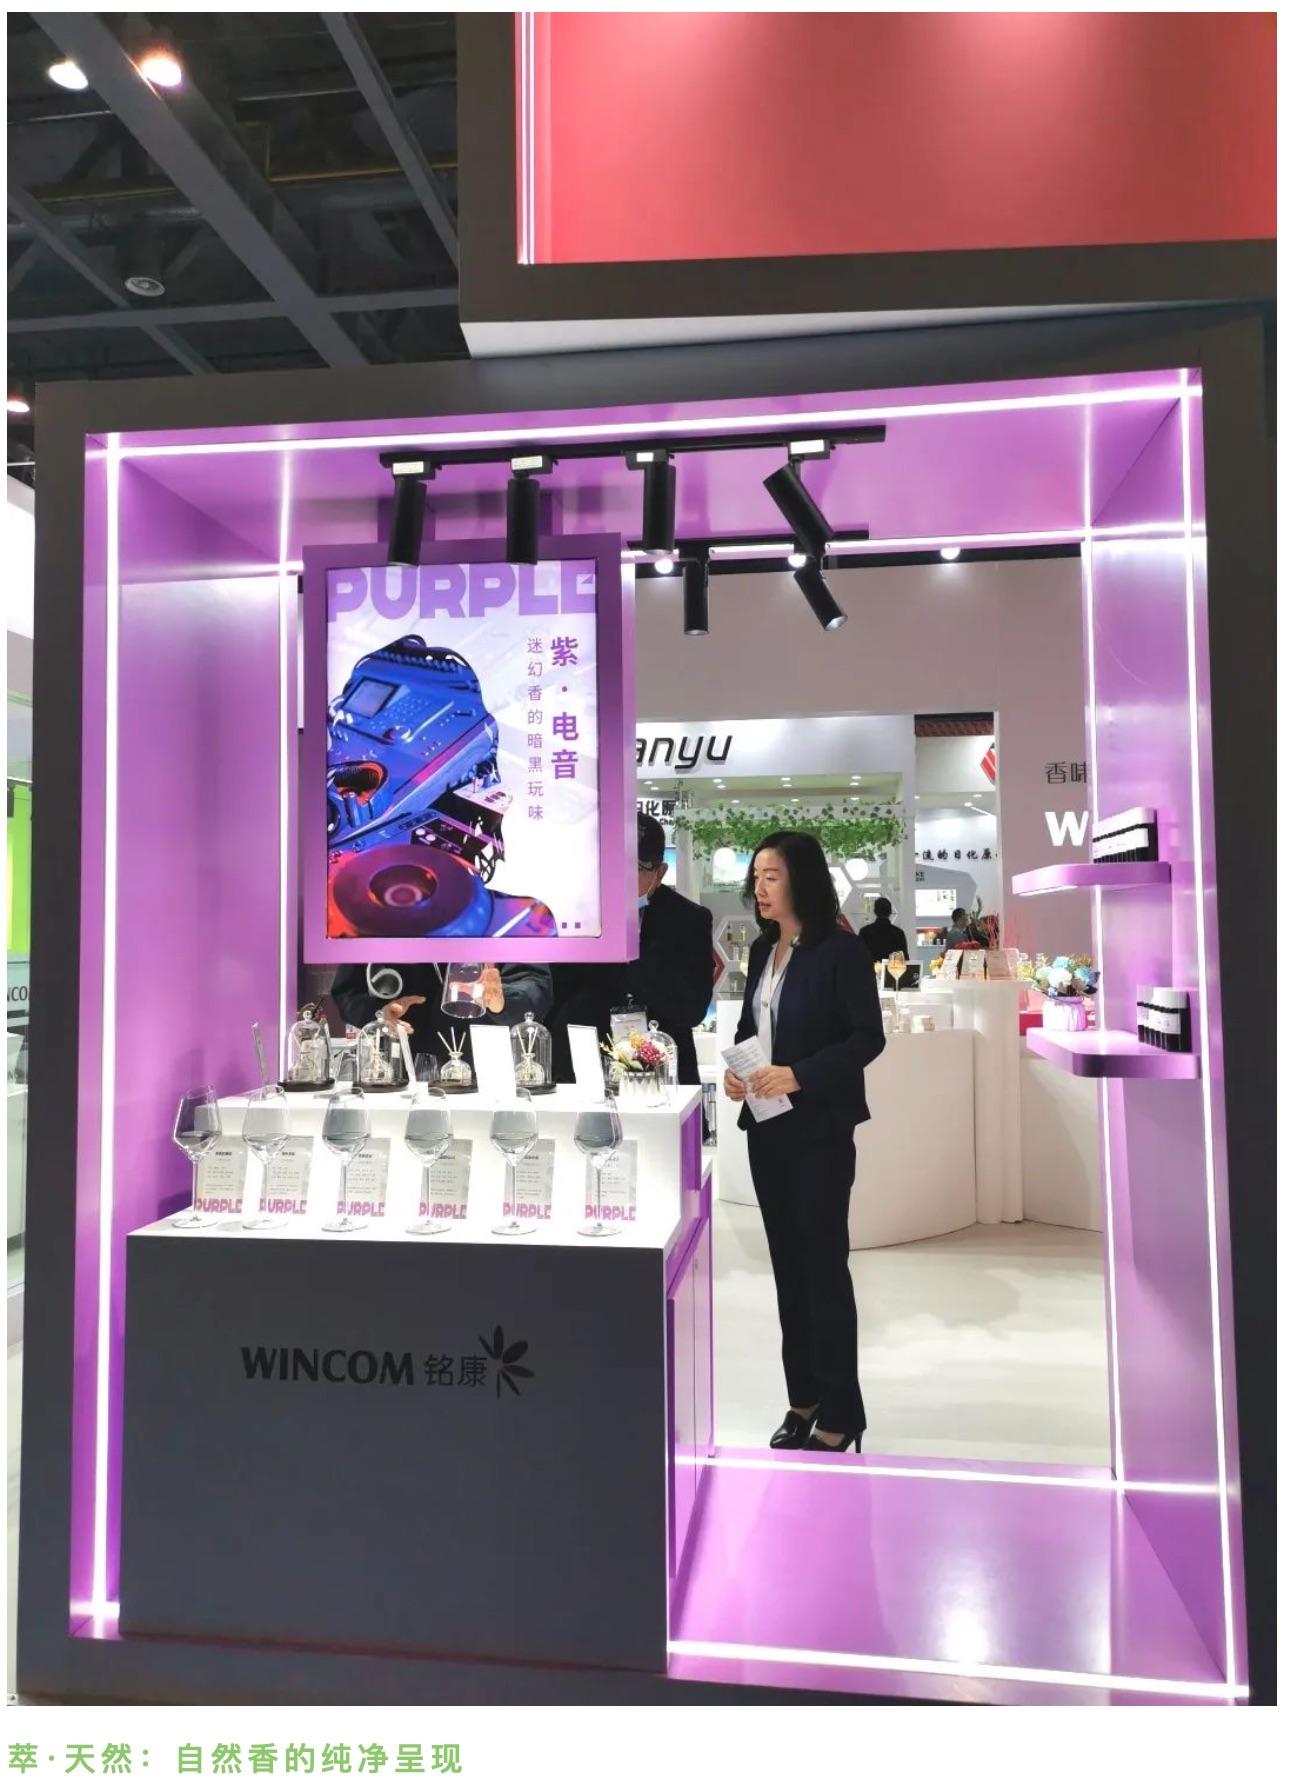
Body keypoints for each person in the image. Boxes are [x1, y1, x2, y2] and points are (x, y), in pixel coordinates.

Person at [724, 831, 885, 1454]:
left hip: (819, 1132)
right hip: (766, 1128)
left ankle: (842, 1412)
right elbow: (751, 1027)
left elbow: (866, 1037)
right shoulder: (764, 948)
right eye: (756, 877)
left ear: (802, 879)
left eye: (772, 876)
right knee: (788, 1273)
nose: (760, 888)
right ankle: (804, 1400)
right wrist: (739, 1072)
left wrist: (800, 1073)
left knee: (823, 1271)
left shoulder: (841, 950)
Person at [549, 812, 714, 1091]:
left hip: (662, 1071)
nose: (620, 878)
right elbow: (556, 994)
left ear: (660, 873)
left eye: (635, 868)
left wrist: (627, 951)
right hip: (584, 1068)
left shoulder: (689, 919)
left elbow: (692, 1009)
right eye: (611, 864)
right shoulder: (576, 915)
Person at [331, 959, 552, 1073]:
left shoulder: (507, 912)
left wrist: (503, 1001)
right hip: (403, 1069)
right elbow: (348, 991)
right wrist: (379, 1015)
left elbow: (535, 984)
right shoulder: (374, 914)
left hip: (490, 1070)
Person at [857, 897, 909, 964]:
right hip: (891, 970)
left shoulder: (865, 932)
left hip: (870, 970)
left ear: (875, 911)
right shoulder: (898, 933)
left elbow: (860, 957)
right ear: (890, 912)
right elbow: (904, 959)